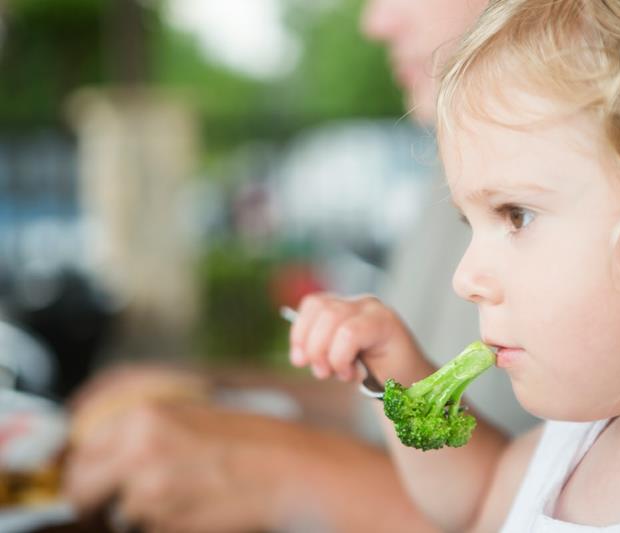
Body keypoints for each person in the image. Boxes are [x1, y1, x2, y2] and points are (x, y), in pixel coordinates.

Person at [288, 0, 620, 531]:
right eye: (471, 223)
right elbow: (479, 497)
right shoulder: (578, 438)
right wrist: (402, 379)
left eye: (518, 214)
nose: (466, 279)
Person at [65, 1, 535, 532]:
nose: (374, 22)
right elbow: (384, 407)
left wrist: (273, 470)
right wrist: (211, 386)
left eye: (520, 215)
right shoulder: (456, 177)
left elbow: (511, 506)